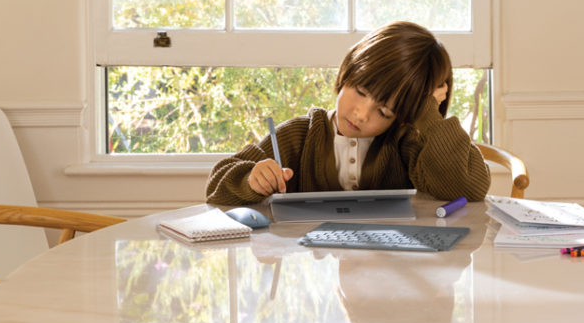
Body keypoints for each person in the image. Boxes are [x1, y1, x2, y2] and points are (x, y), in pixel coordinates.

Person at [205, 21, 491, 205]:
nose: (362, 114)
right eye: (361, 92)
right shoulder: (298, 136)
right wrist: (251, 180)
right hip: (310, 274)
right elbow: (217, 185)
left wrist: (429, 113)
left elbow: (467, 189)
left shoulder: (409, 145)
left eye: (384, 111)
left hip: (390, 272)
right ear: (347, 72)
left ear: (404, 116)